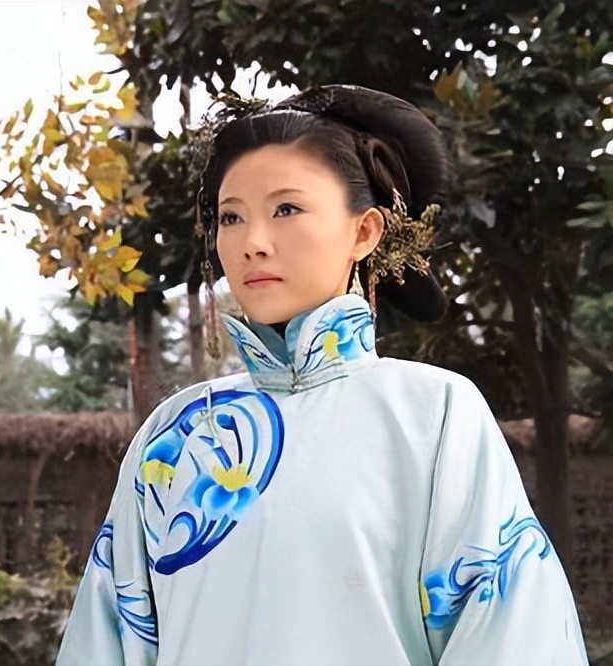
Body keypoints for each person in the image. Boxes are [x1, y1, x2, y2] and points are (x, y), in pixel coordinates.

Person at [55, 85, 587, 665]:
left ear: (365, 232)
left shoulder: (434, 417)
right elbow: (106, 639)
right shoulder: (175, 434)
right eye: (231, 217)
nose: (253, 243)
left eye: (286, 209)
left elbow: (510, 632)